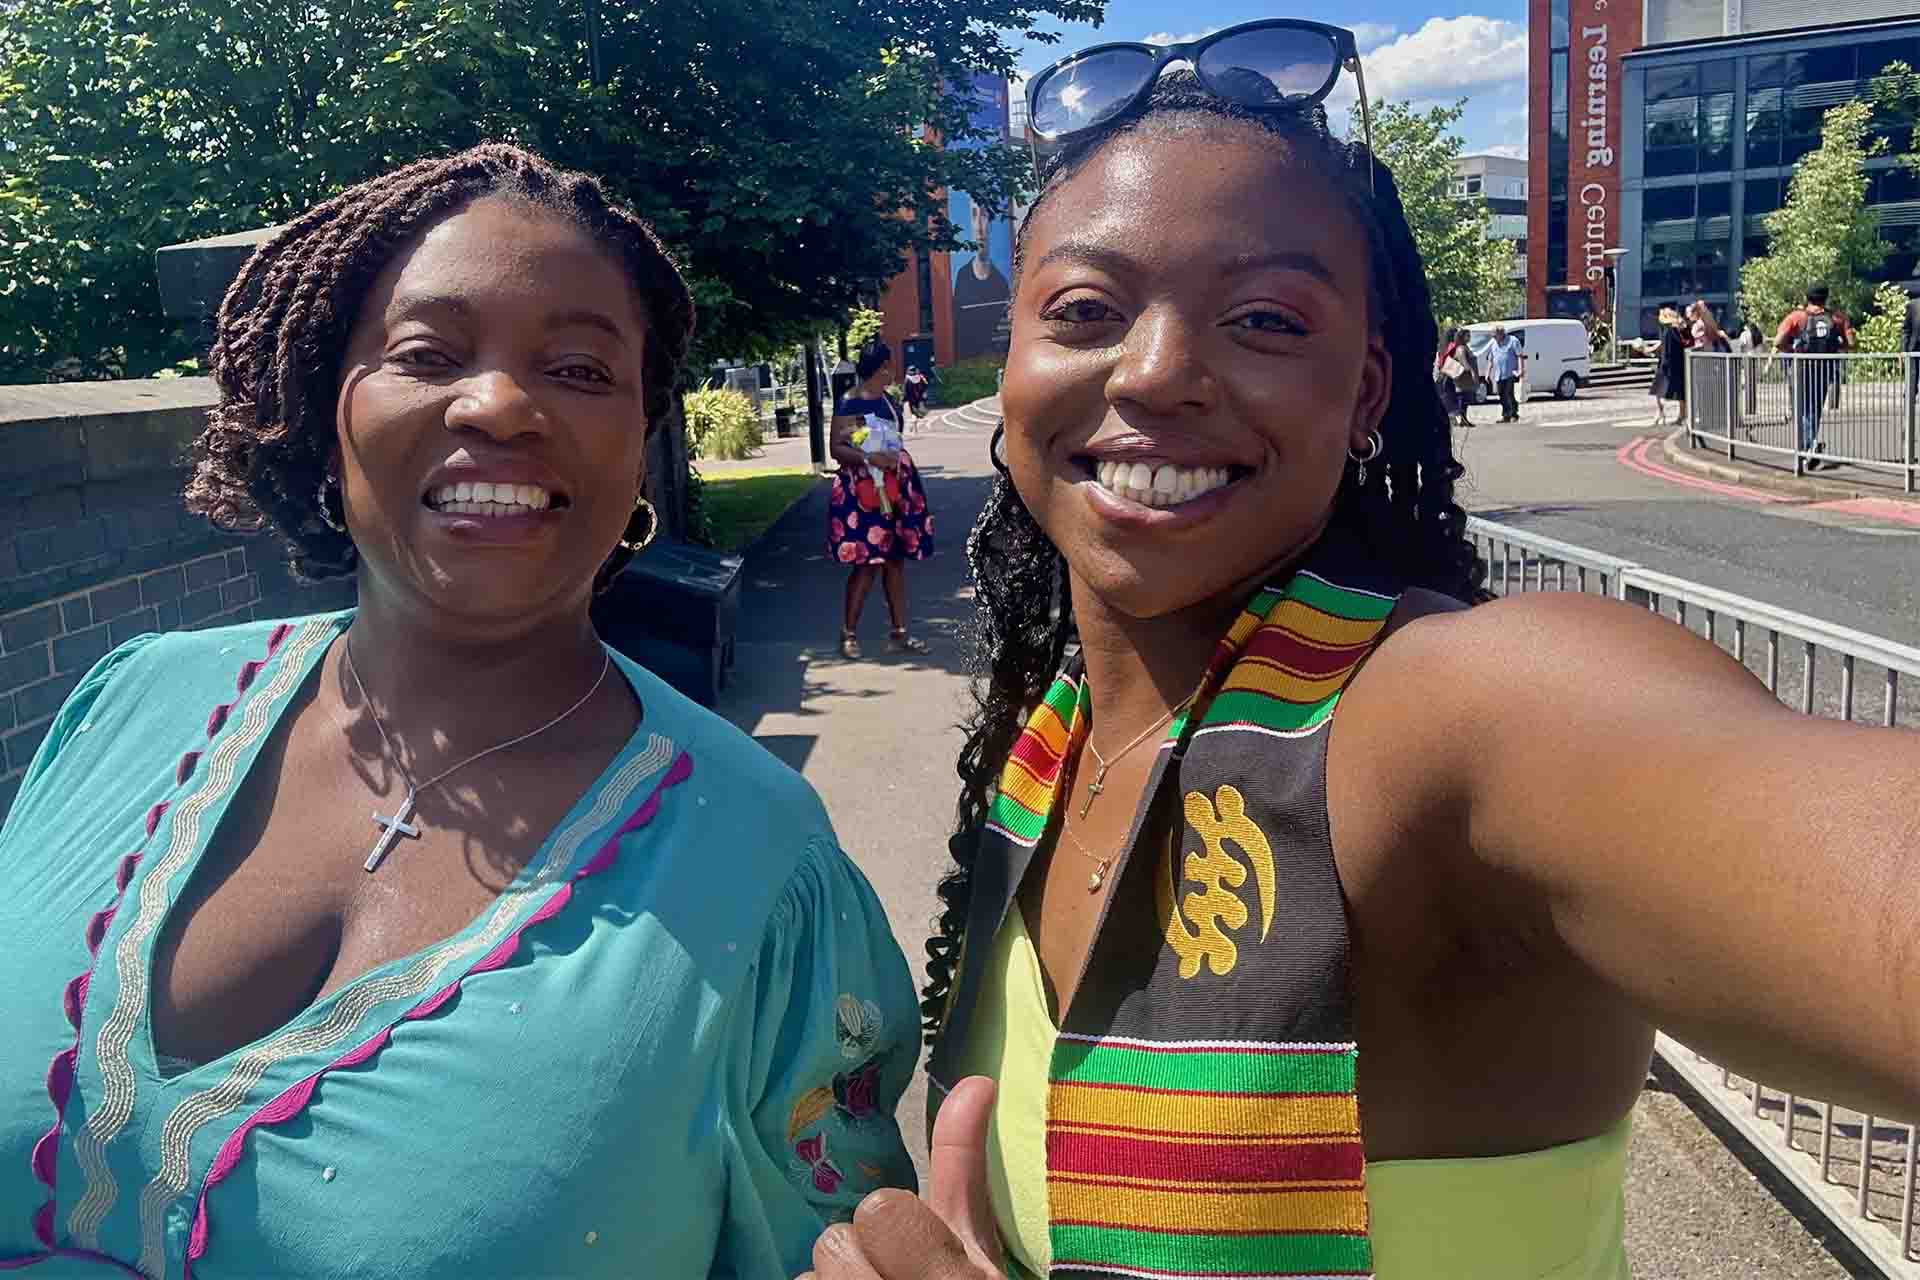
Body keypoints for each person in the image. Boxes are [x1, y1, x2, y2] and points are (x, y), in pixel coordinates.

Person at [801, 47, 1920, 1280]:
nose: (1159, 369)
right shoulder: (1050, 735)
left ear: (1367, 390)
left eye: (1266, 319)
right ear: (1008, 375)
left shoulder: (1451, 720)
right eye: (1084, 310)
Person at [0, 145, 920, 1279]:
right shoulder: (125, 705)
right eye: (427, 353)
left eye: (581, 369)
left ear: (641, 441)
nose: (499, 403)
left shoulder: (765, 873)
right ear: (326, 410)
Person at [829, 338, 935, 658]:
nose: (894, 370)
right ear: (882, 367)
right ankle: (849, 635)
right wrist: (868, 459)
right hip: (864, 492)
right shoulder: (851, 401)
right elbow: (837, 447)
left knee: (894, 561)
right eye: (890, 364)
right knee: (866, 564)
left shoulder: (889, 400)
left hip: (897, 487)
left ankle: (899, 634)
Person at [1775, 283, 1854, 471]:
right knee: (1814, 409)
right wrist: (1835, 347)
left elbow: (1778, 342)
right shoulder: (1837, 318)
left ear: (1807, 298)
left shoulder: (1796, 317)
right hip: (1824, 369)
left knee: (1800, 408)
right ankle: (1808, 447)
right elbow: (1851, 344)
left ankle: (1808, 447)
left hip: (1801, 368)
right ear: (1826, 298)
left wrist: (1792, 349)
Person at [951, 196, 1012, 360]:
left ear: (991, 223)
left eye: (984, 216)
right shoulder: (961, 278)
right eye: (974, 215)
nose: (979, 227)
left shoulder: (1001, 284)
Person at [1649, 305, 1690, 426]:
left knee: (1658, 389)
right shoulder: (1679, 329)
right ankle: (1681, 415)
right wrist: (1651, 349)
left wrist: (1664, 362)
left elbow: (1666, 347)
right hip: (1680, 362)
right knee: (1680, 391)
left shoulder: (1668, 330)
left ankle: (1661, 413)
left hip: (1668, 363)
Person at [1432, 327, 1478, 429]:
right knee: (1459, 398)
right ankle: (1461, 420)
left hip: (1443, 374)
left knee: (1449, 399)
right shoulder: (1454, 346)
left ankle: (1458, 420)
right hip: (1452, 375)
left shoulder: (1443, 347)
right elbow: (1459, 359)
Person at [1485, 324, 1526, 423]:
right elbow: (1490, 359)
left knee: (1509, 394)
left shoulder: (1513, 341)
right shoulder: (1493, 344)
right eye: (1493, 336)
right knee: (1501, 395)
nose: (1493, 338)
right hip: (1499, 374)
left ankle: (1513, 414)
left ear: (1501, 333)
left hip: (1511, 373)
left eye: (1495, 335)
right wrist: (1487, 372)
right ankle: (1506, 415)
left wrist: (1521, 370)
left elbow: (1520, 356)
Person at [1902, 285, 1920, 407]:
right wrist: (1903, 351)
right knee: (1913, 373)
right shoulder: (1913, 305)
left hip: (1914, 346)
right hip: (1915, 347)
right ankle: (1910, 394)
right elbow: (1906, 330)